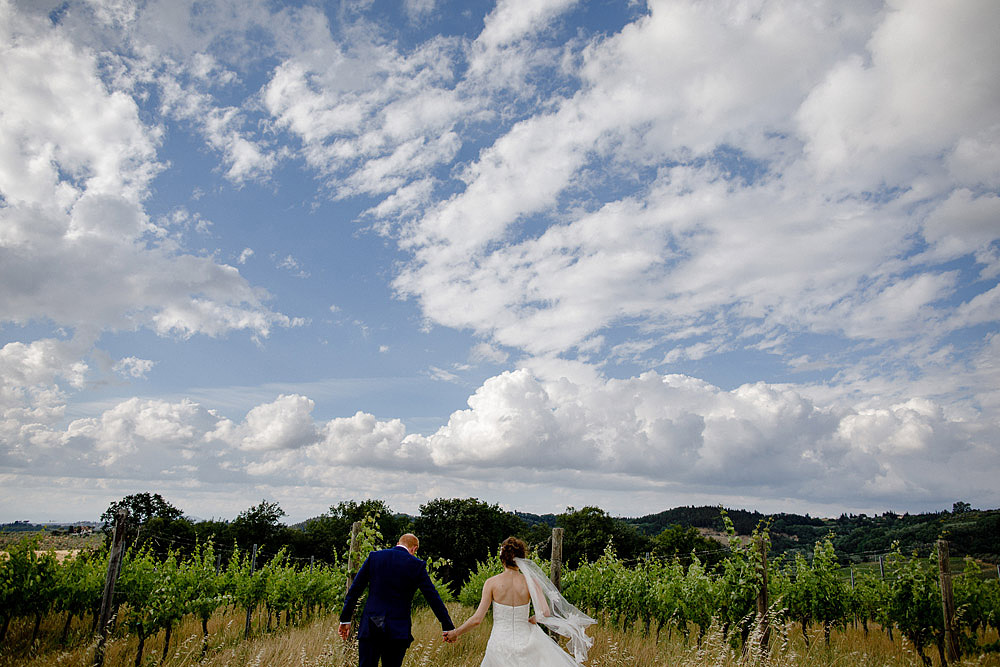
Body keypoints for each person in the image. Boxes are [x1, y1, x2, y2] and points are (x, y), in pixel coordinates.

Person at [444, 536, 596, 666]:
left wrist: (456, 632)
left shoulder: (491, 583)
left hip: (500, 643)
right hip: (527, 641)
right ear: (521, 558)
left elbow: (477, 619)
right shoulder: (530, 582)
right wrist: (533, 618)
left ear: (502, 557)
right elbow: (545, 612)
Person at [339, 533, 455, 667]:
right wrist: (447, 626)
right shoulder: (417, 565)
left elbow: (355, 590)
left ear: (398, 543)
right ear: (414, 549)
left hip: (372, 625)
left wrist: (345, 619)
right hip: (397, 629)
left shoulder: (374, 557)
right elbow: (433, 597)